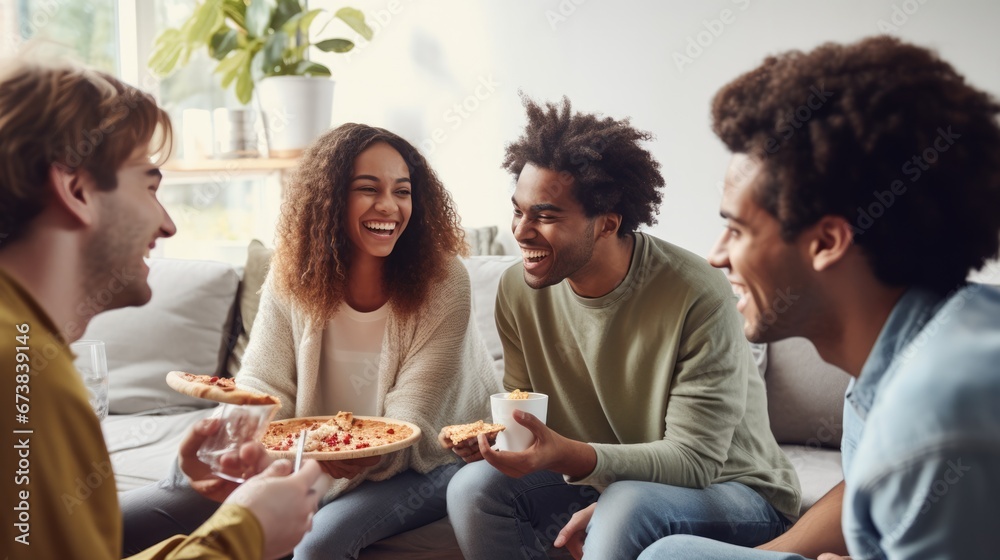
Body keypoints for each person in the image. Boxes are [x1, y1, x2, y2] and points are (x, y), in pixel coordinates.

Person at [638, 35, 1000, 559]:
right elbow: (876, 494)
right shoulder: (908, 341)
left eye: (736, 230)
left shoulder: (934, 424)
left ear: (827, 242)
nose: (717, 257)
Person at [443, 96, 801, 560]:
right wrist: (500, 439)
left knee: (626, 503)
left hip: (734, 489)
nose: (521, 231)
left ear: (607, 224)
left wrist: (569, 456)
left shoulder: (698, 294)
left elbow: (694, 461)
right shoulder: (518, 289)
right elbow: (527, 413)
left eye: (545, 216)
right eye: (518, 210)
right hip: (612, 480)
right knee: (473, 489)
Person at [121, 123, 499, 558]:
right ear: (329, 198)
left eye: (402, 191)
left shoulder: (444, 282)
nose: (389, 206)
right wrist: (237, 445)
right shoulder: (292, 271)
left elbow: (407, 424)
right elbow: (263, 385)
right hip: (316, 453)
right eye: (367, 188)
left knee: (317, 543)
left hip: (421, 462)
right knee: (150, 510)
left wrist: (311, 467)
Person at [0, 60, 325, 560]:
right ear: (76, 189)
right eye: (149, 187)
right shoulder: (26, 375)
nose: (168, 224)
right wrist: (247, 534)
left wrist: (210, 510)